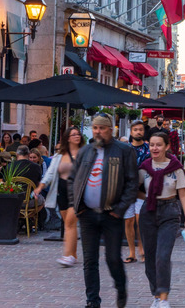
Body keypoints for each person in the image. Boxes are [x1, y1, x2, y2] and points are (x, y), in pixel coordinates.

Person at [68, 113, 138, 308]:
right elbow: (72, 179)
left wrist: (120, 209)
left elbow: (132, 183)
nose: (98, 131)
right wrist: (77, 205)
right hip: (88, 214)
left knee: (112, 258)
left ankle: (121, 287)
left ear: (110, 129)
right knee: (90, 260)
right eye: (95, 128)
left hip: (111, 214)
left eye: (102, 128)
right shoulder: (85, 151)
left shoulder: (124, 151)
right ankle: (92, 301)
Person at [138, 132, 185, 308]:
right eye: (152, 145)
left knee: (162, 256)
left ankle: (163, 297)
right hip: (148, 212)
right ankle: (156, 294)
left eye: (159, 145)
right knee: (150, 258)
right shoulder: (144, 168)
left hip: (170, 212)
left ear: (167, 146)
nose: (155, 148)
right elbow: (133, 189)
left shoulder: (176, 168)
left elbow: (183, 194)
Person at [35, 126, 84, 267]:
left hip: (77, 192)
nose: (77, 136)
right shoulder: (59, 156)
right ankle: (73, 254)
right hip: (61, 192)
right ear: (68, 138)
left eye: (78, 134)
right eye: (73, 134)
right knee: (69, 224)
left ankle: (67, 255)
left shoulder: (84, 154)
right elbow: (50, 173)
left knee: (69, 223)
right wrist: (40, 187)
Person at [124, 120, 150, 264]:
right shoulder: (125, 148)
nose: (138, 132)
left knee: (141, 221)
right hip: (127, 190)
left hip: (142, 190)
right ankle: (131, 252)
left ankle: (142, 249)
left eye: (140, 129)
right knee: (128, 221)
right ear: (131, 132)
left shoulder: (148, 149)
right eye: (135, 130)